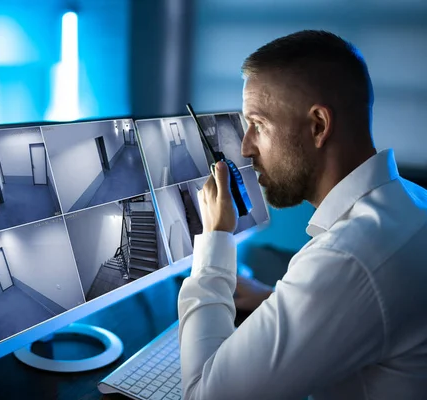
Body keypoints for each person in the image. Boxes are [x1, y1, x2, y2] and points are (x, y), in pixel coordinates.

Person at [178, 30, 427, 400]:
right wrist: (275, 301)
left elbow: (202, 396)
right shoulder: (412, 201)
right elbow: (361, 306)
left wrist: (215, 238)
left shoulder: (348, 258)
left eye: (258, 125)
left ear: (318, 127)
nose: (246, 148)